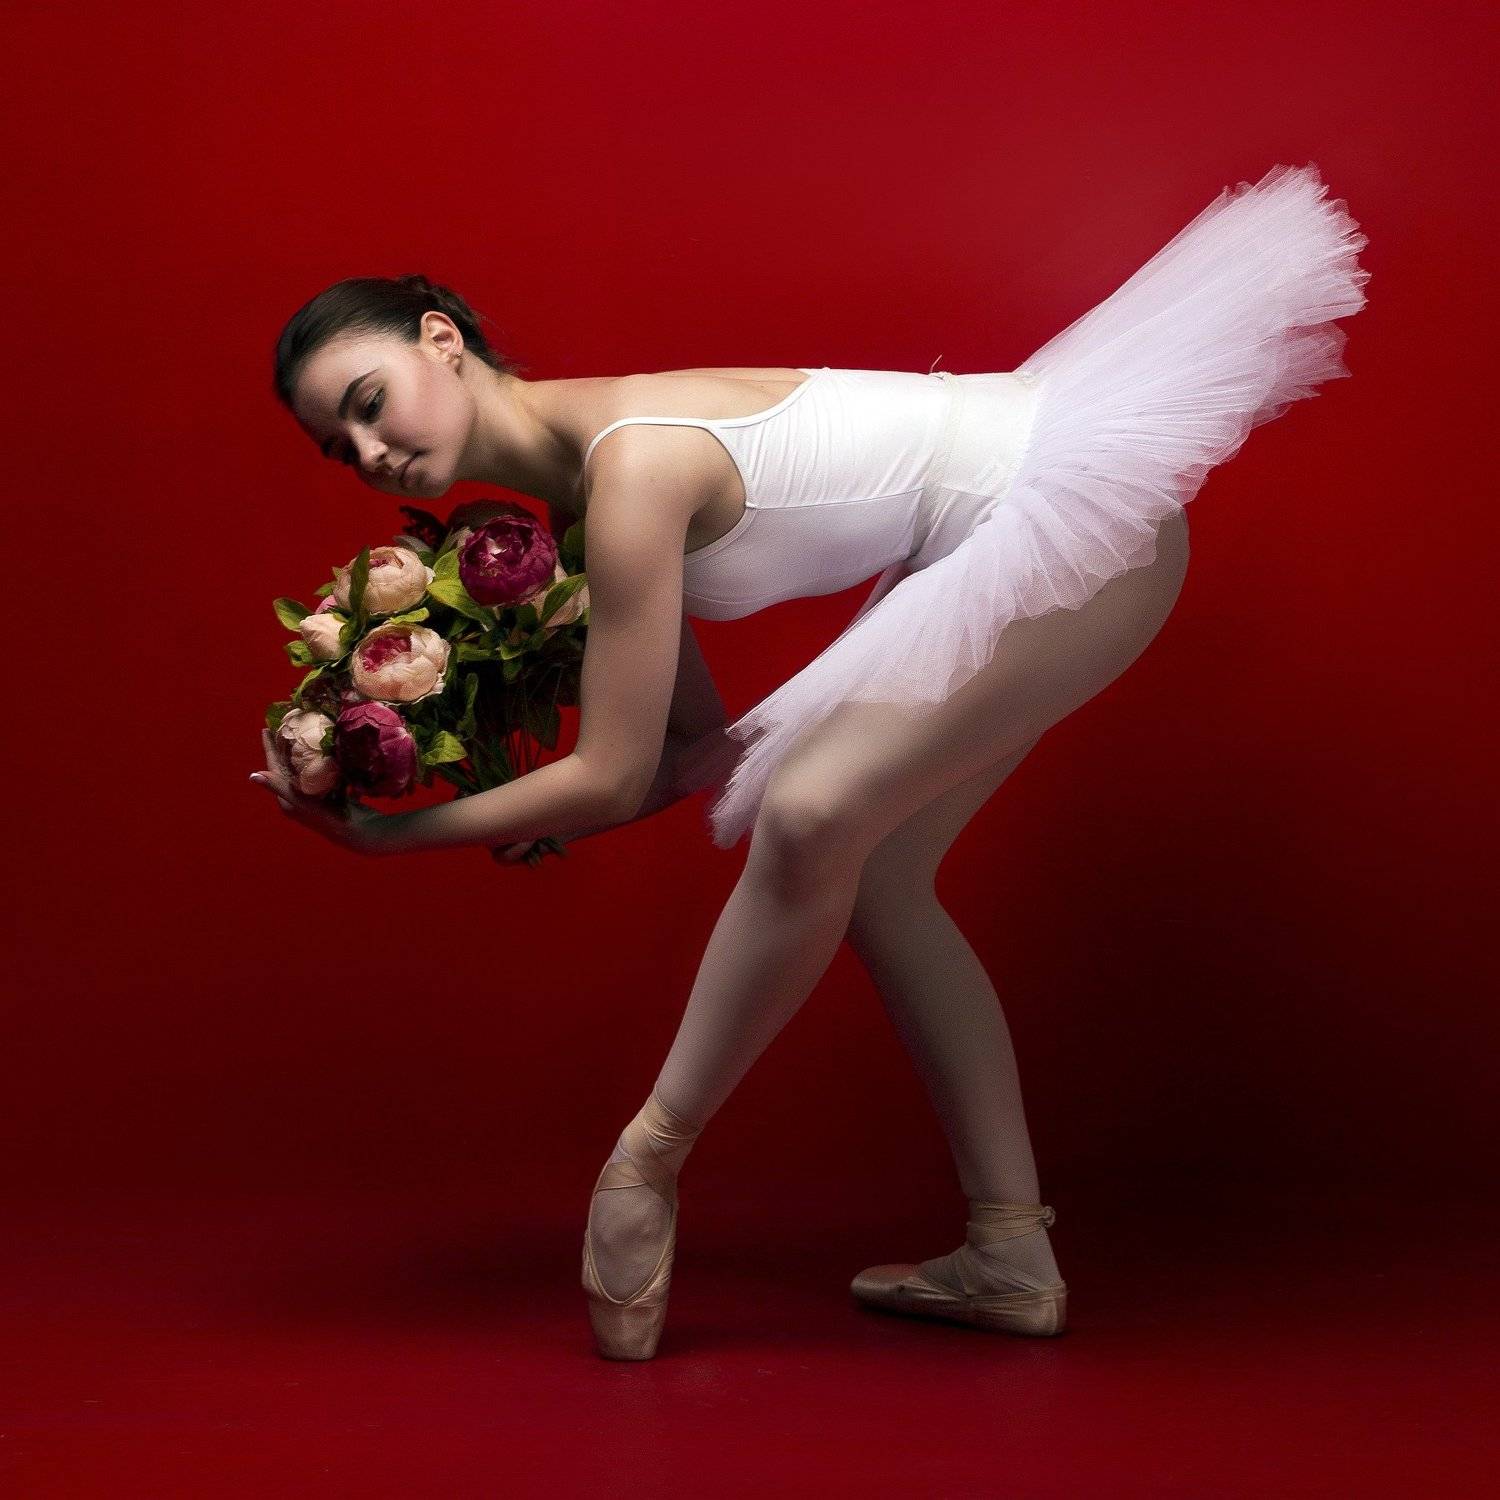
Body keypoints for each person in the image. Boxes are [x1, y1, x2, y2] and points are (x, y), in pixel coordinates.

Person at [255, 162, 1369, 1360]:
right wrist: (470, 771)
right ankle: (1010, 1251)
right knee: (873, 877)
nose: (368, 449)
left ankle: (648, 1159)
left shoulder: (634, 467)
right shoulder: (584, 507)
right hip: (971, 554)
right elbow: (685, 755)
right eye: (340, 445)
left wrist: (390, 838)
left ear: (442, 340)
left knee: (810, 809)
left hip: (1074, 518)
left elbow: (616, 777)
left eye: (370, 401)